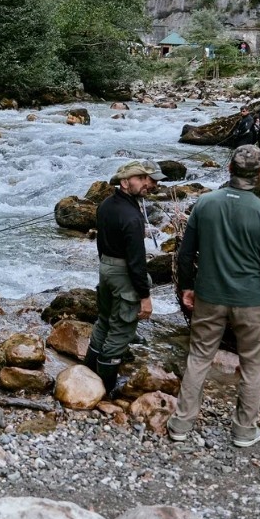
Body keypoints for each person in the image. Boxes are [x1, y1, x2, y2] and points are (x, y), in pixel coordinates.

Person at [167, 145, 260, 448]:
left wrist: (186, 287)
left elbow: (186, 253)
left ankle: (181, 424)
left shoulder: (205, 203)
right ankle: (243, 431)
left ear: (229, 169)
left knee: (199, 357)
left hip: (209, 296)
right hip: (251, 300)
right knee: (252, 366)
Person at [82, 159, 164, 393]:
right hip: (123, 273)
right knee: (121, 330)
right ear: (125, 182)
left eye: (148, 179)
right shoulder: (131, 216)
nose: (147, 184)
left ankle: (87, 373)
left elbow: (101, 242)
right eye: (141, 179)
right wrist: (145, 297)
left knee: (104, 320)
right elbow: (136, 262)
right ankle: (105, 388)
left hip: (106, 267)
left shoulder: (106, 204)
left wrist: (105, 266)